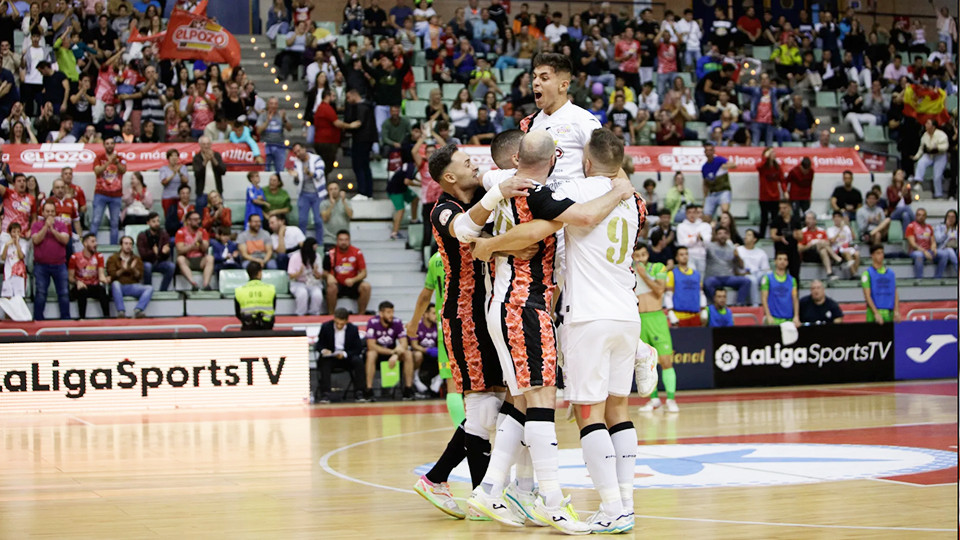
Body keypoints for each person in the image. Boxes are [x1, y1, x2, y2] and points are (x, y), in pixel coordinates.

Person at [464, 131, 634, 532]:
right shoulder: (539, 192)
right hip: (524, 301)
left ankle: (488, 491)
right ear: (555, 156)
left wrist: (488, 244)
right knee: (542, 399)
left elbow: (484, 210)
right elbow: (543, 229)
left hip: (519, 302)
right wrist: (621, 187)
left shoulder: (498, 180)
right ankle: (552, 501)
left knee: (522, 401)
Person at [632, 244, 678, 413]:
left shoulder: (658, 267)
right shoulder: (628, 270)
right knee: (645, 363)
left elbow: (659, 291)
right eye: (637, 255)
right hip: (638, 319)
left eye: (643, 254)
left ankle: (671, 399)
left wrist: (643, 275)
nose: (640, 258)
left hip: (656, 317)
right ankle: (654, 399)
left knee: (666, 361)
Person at [364, 301, 415, 400]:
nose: (391, 315)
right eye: (388, 312)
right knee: (371, 354)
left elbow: (404, 343)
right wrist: (392, 352)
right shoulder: (372, 322)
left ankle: (408, 389)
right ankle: (368, 390)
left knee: (408, 353)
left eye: (392, 312)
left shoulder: (397, 322)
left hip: (393, 355)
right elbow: (371, 345)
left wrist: (396, 354)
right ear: (381, 313)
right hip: (379, 354)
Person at [315, 307, 365, 403]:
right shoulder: (326, 327)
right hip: (331, 358)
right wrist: (324, 350)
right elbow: (319, 344)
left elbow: (358, 348)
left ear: (346, 321)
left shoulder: (353, 329)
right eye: (337, 323)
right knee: (324, 362)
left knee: (358, 361)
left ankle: (359, 392)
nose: (338, 325)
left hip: (346, 357)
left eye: (341, 324)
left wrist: (345, 354)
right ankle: (325, 394)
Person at [32, 202, 71, 321]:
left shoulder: (62, 225)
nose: (49, 214)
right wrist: (45, 227)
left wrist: (52, 230)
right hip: (41, 266)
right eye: (47, 211)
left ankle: (65, 320)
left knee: (64, 293)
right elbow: (36, 240)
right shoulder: (36, 225)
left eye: (52, 211)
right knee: (40, 293)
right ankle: (38, 320)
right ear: (42, 213)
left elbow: (65, 240)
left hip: (60, 265)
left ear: (56, 213)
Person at [286, 142, 328, 241]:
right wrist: (295, 177)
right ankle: (302, 243)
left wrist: (309, 173)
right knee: (302, 221)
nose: (298, 154)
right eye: (295, 152)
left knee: (318, 221)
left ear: (304, 149)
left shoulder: (316, 159)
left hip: (318, 194)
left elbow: (320, 174)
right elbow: (297, 182)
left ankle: (320, 243)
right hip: (304, 194)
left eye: (299, 151)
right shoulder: (296, 163)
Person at [323, 230, 371, 315]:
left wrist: (353, 280)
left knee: (366, 286)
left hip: (352, 283)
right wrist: (329, 276)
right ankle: (331, 315)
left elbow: (364, 273)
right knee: (331, 288)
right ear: (337, 241)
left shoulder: (357, 252)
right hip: (337, 283)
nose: (343, 242)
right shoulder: (330, 253)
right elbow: (323, 272)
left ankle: (361, 314)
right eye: (341, 240)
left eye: (346, 240)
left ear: (349, 240)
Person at [90, 138, 126, 245]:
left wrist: (116, 163)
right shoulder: (99, 158)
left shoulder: (120, 158)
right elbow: (97, 171)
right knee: (96, 221)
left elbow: (123, 170)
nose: (109, 145)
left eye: (111, 143)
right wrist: (109, 163)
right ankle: (90, 244)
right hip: (100, 194)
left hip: (116, 195)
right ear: (104, 145)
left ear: (114, 145)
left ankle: (114, 247)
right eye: (107, 143)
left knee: (114, 223)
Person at [106, 235, 152, 318]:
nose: (128, 246)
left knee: (149, 288)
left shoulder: (136, 259)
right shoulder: (113, 258)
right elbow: (112, 275)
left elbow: (139, 276)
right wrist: (123, 270)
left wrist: (133, 269)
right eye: (126, 243)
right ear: (121, 245)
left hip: (132, 285)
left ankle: (138, 310)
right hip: (119, 286)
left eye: (130, 244)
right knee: (115, 284)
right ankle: (121, 311)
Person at [703, 226, 751, 305]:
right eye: (720, 233)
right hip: (714, 277)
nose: (722, 235)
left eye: (725, 233)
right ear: (716, 236)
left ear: (728, 235)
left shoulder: (731, 248)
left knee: (746, 281)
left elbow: (741, 266)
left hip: (728, 277)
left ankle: (739, 304)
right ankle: (716, 304)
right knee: (707, 283)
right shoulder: (709, 246)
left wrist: (737, 256)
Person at [68, 233, 111, 319]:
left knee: (102, 290)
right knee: (82, 291)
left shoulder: (99, 256)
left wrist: (106, 279)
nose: (96, 244)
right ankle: (82, 318)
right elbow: (70, 277)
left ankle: (107, 317)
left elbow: (101, 274)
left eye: (96, 241)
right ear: (85, 243)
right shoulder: (74, 257)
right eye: (92, 241)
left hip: (93, 285)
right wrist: (77, 282)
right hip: (80, 285)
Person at [665, 245, 706, 332]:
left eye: (686, 254)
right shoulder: (672, 274)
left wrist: (703, 309)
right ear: (676, 257)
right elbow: (668, 295)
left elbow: (701, 293)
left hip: (695, 315)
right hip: (680, 316)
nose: (684, 256)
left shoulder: (697, 274)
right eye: (681, 254)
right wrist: (671, 312)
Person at [175, 211, 215, 291]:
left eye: (199, 219)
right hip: (188, 259)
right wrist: (192, 246)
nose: (198, 221)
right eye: (195, 219)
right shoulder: (181, 232)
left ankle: (206, 284)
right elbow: (180, 250)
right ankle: (193, 283)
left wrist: (200, 242)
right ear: (188, 221)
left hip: (200, 259)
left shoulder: (203, 232)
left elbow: (205, 249)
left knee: (210, 258)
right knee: (180, 259)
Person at [861, 244, 900, 324]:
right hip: (874, 313)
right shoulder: (867, 274)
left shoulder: (891, 273)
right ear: (872, 255)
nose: (881, 255)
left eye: (882, 253)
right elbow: (867, 296)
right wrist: (876, 313)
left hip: (889, 312)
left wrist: (896, 310)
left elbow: (895, 292)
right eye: (878, 253)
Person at [906, 208, 949, 279]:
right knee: (919, 256)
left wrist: (934, 247)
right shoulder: (911, 226)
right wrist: (924, 251)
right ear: (915, 216)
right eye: (919, 215)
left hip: (928, 251)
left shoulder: (929, 227)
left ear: (926, 217)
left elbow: (933, 241)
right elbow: (913, 244)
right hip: (915, 251)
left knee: (944, 254)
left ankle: (938, 277)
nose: (921, 217)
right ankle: (919, 279)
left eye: (923, 215)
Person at [137, 212, 175, 291]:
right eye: (154, 221)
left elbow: (165, 254)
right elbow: (143, 255)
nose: (157, 223)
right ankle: (148, 289)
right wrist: (153, 252)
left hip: (159, 262)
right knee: (147, 266)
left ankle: (163, 290)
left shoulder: (164, 234)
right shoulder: (142, 235)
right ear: (148, 223)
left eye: (158, 221)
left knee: (171, 266)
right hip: (147, 262)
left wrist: (166, 252)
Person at [912, 119, 949, 199]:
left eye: (928, 123)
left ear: (933, 126)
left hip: (940, 155)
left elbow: (945, 146)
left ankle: (938, 194)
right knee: (921, 162)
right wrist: (916, 156)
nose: (926, 125)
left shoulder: (941, 135)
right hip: (929, 155)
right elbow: (921, 148)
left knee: (937, 176)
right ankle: (918, 182)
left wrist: (937, 148)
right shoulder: (925, 135)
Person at [234, 261, 276, 331]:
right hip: (267, 330)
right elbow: (273, 308)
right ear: (259, 273)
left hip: (247, 330)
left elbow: (238, 313)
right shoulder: (270, 289)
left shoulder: (239, 291)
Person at [287, 237, 324, 316]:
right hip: (298, 282)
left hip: (313, 282)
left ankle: (314, 314)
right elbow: (290, 276)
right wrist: (299, 273)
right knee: (302, 293)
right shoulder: (295, 257)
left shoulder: (317, 256)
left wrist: (315, 272)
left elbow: (319, 276)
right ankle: (300, 314)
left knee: (317, 295)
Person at [761, 252, 800, 327]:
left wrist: (796, 316)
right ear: (775, 261)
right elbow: (764, 298)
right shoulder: (767, 278)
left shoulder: (792, 280)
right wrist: (768, 316)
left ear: (787, 262)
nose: (782, 261)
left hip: (788, 319)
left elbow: (795, 299)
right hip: (773, 319)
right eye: (780, 259)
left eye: (785, 259)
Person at [799, 210, 840, 279]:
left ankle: (829, 273)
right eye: (806, 219)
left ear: (815, 221)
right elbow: (799, 248)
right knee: (820, 243)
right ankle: (837, 258)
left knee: (823, 250)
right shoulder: (803, 232)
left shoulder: (822, 231)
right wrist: (810, 245)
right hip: (808, 254)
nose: (807, 221)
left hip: (820, 255)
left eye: (809, 219)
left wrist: (818, 242)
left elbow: (827, 244)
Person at [700, 142, 735, 219]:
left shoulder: (719, 160)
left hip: (723, 191)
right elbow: (705, 183)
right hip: (712, 193)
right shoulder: (704, 167)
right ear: (704, 152)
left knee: (725, 211)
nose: (709, 152)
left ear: (713, 151)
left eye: (710, 150)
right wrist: (704, 198)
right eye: (707, 150)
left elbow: (734, 165)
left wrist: (724, 166)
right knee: (706, 216)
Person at [736, 229, 770, 307]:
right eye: (745, 235)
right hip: (744, 274)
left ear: (754, 239)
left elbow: (766, 269)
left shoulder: (761, 252)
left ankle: (771, 303)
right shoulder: (738, 250)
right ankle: (755, 305)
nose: (745, 237)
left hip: (757, 274)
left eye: (749, 235)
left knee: (769, 274)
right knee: (752, 280)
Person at [256, 97, 291, 174]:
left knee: (281, 169)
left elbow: (289, 129)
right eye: (271, 104)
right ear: (268, 105)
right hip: (266, 146)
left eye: (275, 104)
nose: (273, 106)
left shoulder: (281, 115)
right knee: (265, 170)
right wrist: (267, 121)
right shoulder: (262, 115)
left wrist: (284, 119)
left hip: (280, 146)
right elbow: (258, 131)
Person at [387, 162, 420, 241]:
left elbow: (411, 177)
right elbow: (407, 181)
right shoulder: (411, 167)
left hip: (402, 189)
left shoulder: (412, 167)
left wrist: (421, 182)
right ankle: (394, 233)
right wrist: (419, 185)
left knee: (415, 199)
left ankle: (414, 220)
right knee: (400, 210)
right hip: (395, 190)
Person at [770, 200, 801, 281]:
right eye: (780, 208)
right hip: (781, 251)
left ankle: (795, 293)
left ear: (789, 208)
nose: (782, 210)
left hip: (793, 251)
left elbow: (801, 236)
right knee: (780, 274)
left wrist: (796, 235)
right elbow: (773, 235)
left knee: (795, 275)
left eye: (784, 208)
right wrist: (780, 238)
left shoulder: (796, 220)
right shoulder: (776, 220)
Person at [191, 136, 226, 207]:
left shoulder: (217, 155)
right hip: (202, 193)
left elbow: (223, 171)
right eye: (204, 144)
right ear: (200, 145)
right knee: (201, 215)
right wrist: (206, 161)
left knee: (219, 214)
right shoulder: (197, 157)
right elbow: (197, 174)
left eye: (208, 144)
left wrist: (213, 159)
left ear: (211, 145)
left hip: (217, 192)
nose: (206, 146)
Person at [676, 204, 711, 273]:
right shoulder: (681, 226)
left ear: (697, 213)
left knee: (701, 278)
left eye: (694, 212)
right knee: (691, 274)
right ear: (686, 214)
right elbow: (682, 243)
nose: (692, 215)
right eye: (689, 212)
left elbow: (708, 242)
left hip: (702, 256)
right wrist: (696, 238)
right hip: (689, 256)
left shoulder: (705, 226)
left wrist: (700, 238)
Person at [756, 147, 783, 238]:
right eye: (770, 153)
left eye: (773, 152)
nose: (773, 154)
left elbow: (782, 180)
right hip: (764, 197)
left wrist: (785, 191)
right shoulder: (763, 167)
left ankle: (775, 236)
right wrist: (765, 157)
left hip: (775, 197)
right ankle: (762, 236)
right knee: (764, 218)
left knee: (775, 218)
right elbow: (758, 167)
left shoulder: (777, 167)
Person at [319, 182, 352, 252]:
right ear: (328, 191)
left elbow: (350, 215)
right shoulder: (324, 204)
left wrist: (344, 202)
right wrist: (331, 205)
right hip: (329, 239)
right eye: (331, 189)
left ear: (339, 190)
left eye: (335, 189)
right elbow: (325, 218)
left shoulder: (346, 202)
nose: (333, 191)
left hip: (344, 239)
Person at [159, 148, 189, 215]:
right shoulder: (163, 169)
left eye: (176, 156)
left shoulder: (183, 168)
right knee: (169, 217)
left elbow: (186, 181)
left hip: (180, 197)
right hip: (167, 197)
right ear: (168, 158)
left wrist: (179, 173)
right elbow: (164, 182)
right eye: (172, 156)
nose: (174, 158)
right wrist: (174, 173)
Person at [934, 210, 958, 274]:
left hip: (956, 249)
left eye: (953, 217)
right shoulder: (940, 227)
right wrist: (946, 231)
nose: (951, 219)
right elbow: (938, 240)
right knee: (950, 251)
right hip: (944, 248)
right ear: (946, 218)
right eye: (949, 217)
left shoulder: (957, 228)